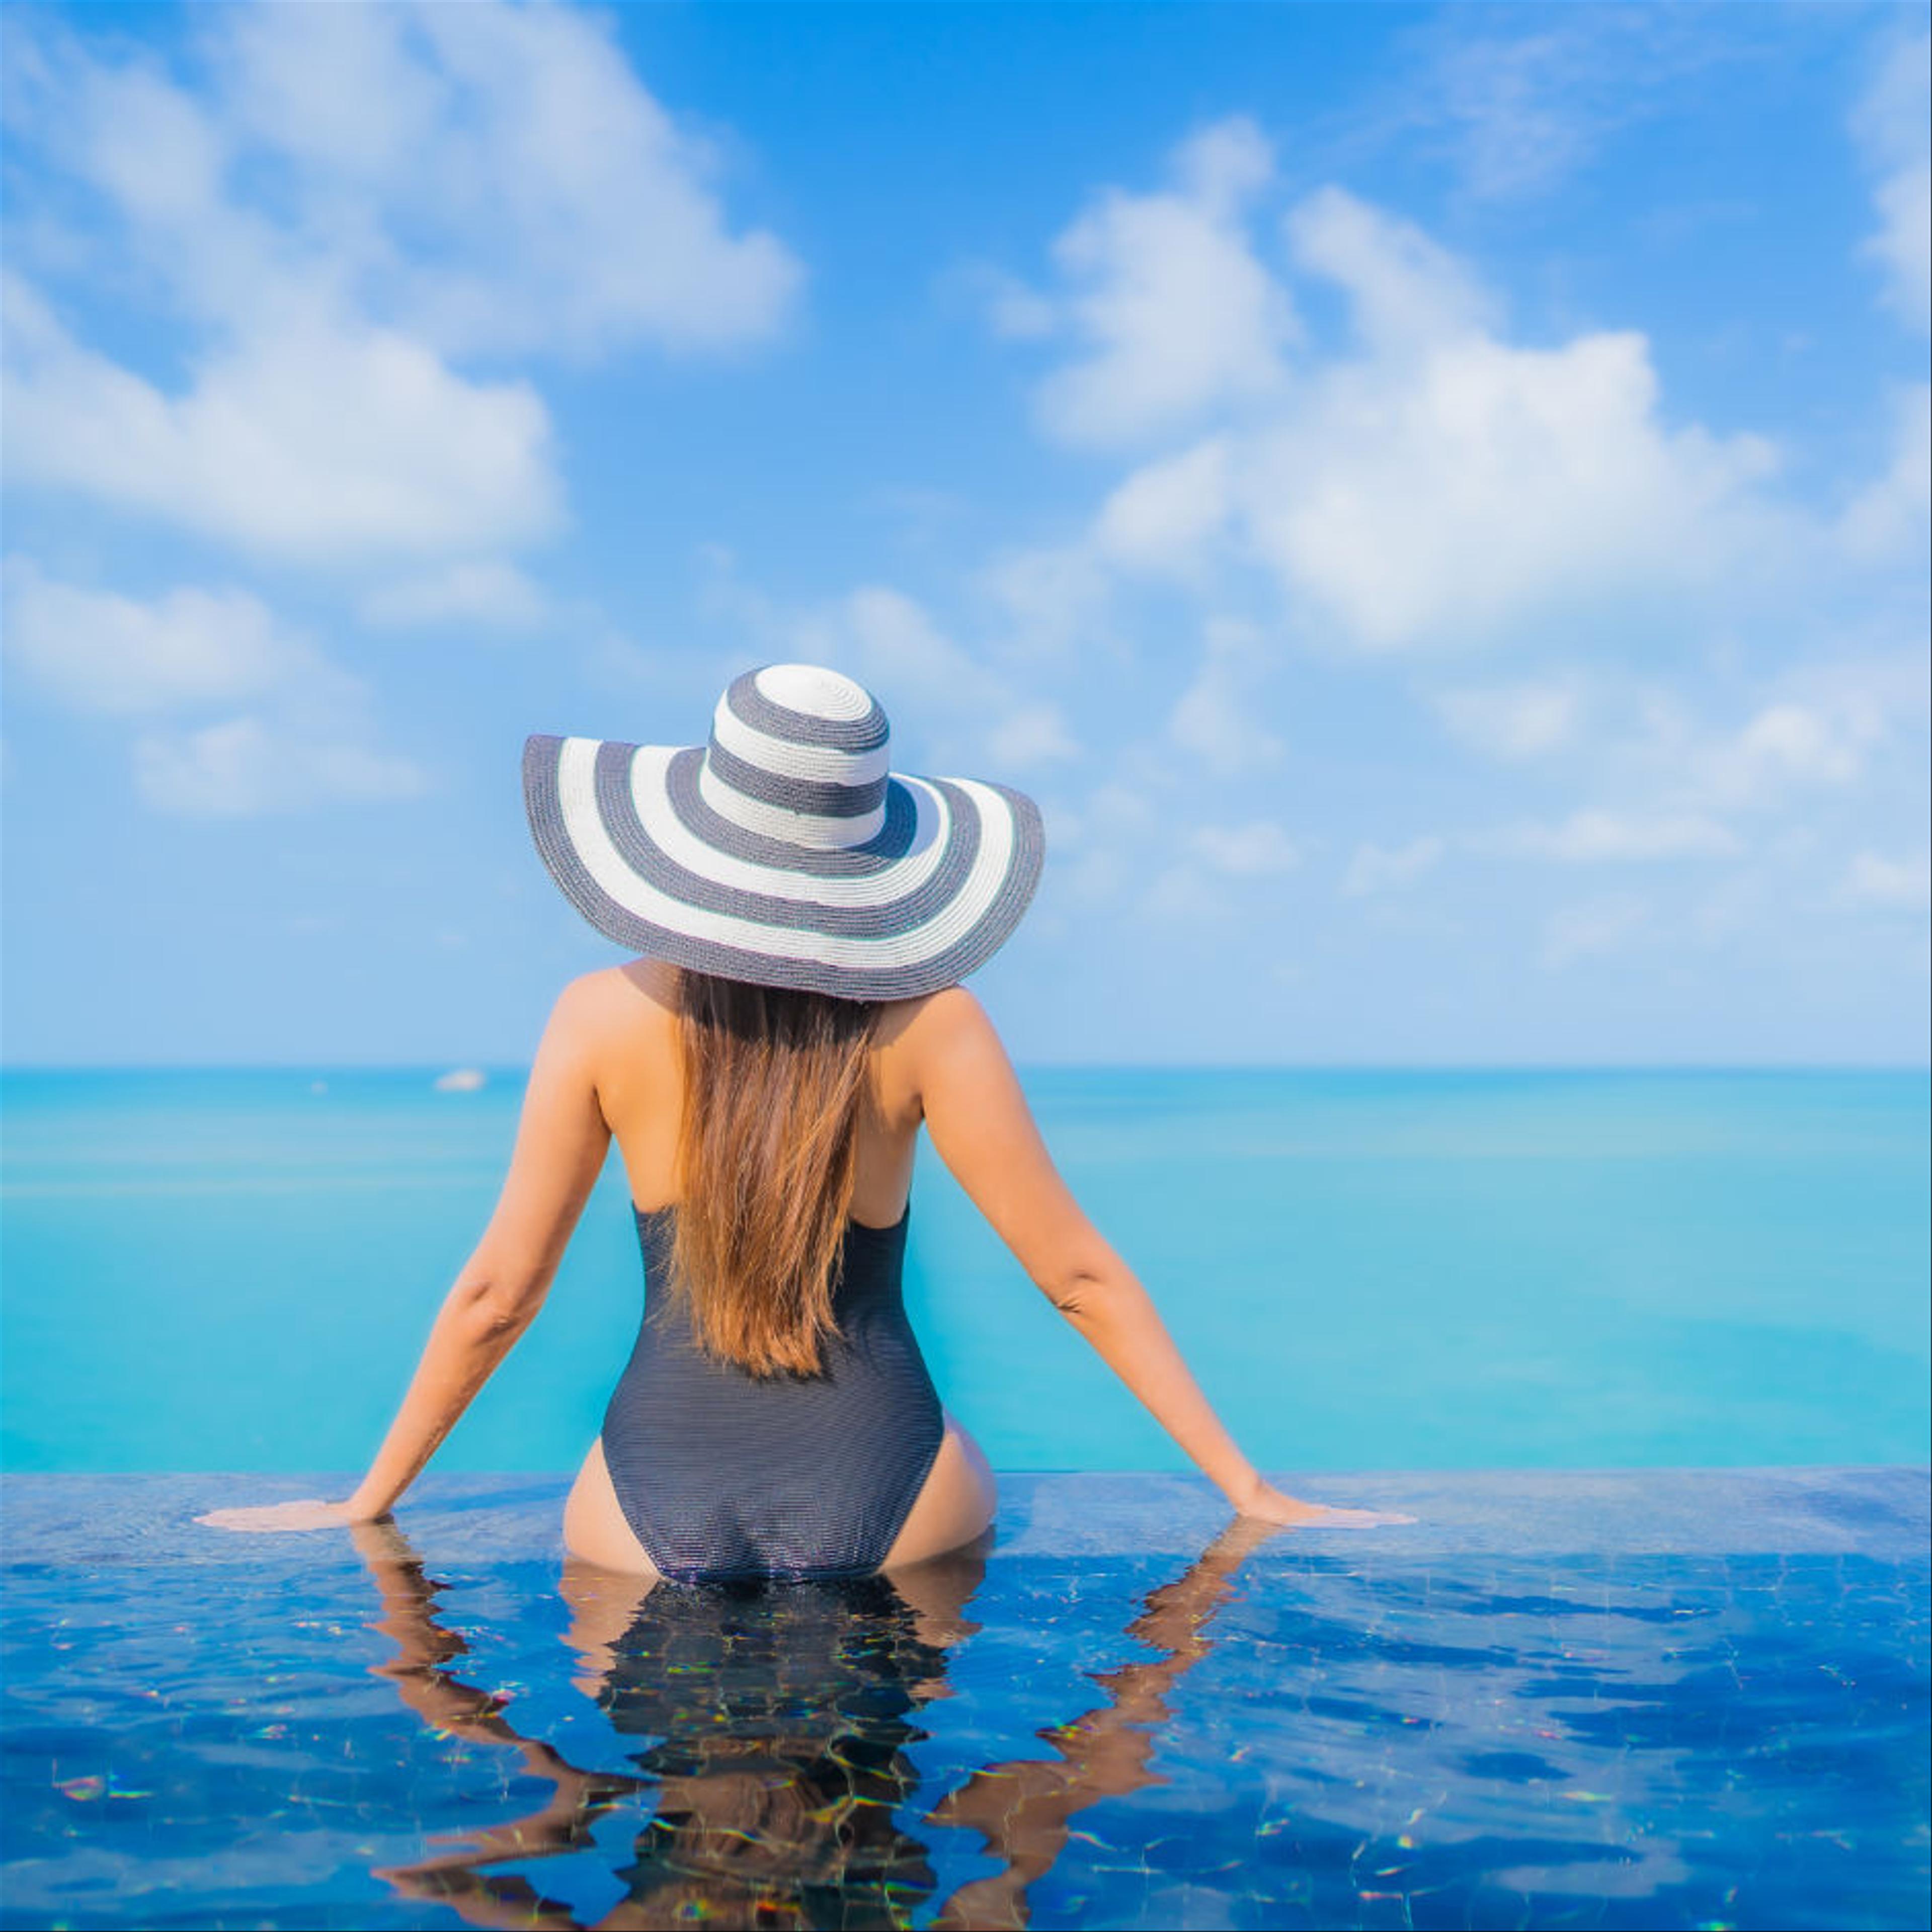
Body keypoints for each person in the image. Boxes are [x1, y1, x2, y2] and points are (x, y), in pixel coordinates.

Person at [200, 663, 1405, 1574]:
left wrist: (369, 1501)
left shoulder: (594, 1019)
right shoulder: (931, 1023)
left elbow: (497, 1297)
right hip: (890, 1494)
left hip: (638, 1499)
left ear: (697, 833)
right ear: (869, 849)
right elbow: (1077, 1277)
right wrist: (1247, 1489)